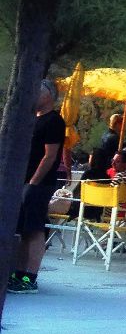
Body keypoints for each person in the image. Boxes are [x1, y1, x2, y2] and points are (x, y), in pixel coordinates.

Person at [8, 80, 67, 294]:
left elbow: (50, 156)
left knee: (34, 229)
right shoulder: (34, 120)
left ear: (49, 95)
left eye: (38, 91)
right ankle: (18, 272)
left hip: (39, 184)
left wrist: (34, 182)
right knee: (24, 230)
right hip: (24, 181)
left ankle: (30, 277)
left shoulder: (54, 121)